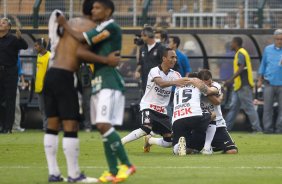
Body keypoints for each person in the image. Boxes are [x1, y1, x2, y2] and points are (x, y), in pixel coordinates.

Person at [57, 0, 136, 183]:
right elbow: (81, 49)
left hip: (110, 81)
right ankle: (112, 171)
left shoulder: (111, 26)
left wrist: (65, 24)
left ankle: (127, 165)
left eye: (97, 7)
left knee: (103, 124)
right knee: (103, 128)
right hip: (98, 81)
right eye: (92, 7)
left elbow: (82, 39)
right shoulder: (101, 28)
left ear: (108, 11)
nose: (93, 10)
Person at [43, 0, 119, 182]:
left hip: (51, 73)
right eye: (96, 7)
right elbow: (80, 53)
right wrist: (105, 60)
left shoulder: (71, 23)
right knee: (71, 125)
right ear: (93, 11)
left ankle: (53, 173)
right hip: (65, 76)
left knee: (52, 125)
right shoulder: (91, 26)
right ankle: (74, 175)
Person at [121, 48, 189, 151]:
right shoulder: (154, 70)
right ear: (164, 58)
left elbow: (183, 87)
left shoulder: (176, 74)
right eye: (172, 57)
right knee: (146, 129)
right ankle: (120, 143)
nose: (174, 60)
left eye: (175, 57)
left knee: (169, 142)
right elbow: (161, 83)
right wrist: (175, 82)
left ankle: (150, 141)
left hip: (162, 110)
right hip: (148, 106)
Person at [188, 70, 238, 154]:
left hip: (218, 125)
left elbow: (215, 100)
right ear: (200, 81)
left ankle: (211, 146)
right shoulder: (193, 89)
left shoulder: (215, 85)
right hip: (201, 126)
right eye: (206, 83)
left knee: (232, 151)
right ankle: (203, 147)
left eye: (210, 82)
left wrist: (202, 89)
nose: (209, 85)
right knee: (188, 151)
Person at [172, 74, 218, 156]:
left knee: (177, 145)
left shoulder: (177, 86)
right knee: (213, 115)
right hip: (194, 116)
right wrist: (217, 91)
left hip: (177, 119)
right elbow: (209, 92)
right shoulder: (197, 82)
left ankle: (179, 146)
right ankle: (207, 148)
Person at [224, 37, 262, 132]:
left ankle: (257, 129)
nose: (231, 45)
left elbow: (241, 67)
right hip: (239, 86)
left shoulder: (241, 53)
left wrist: (230, 79)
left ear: (236, 43)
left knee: (249, 107)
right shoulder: (240, 52)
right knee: (233, 108)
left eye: (232, 42)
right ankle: (225, 129)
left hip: (243, 85)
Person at [0, 17, 28, 134]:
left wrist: (20, 38)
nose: (1, 23)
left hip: (10, 72)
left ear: (8, 27)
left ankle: (8, 127)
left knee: (10, 100)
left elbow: (25, 46)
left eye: (3, 22)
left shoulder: (13, 39)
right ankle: (1, 125)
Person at [257, 29, 282, 134]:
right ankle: (267, 129)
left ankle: (279, 129)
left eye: (281, 39)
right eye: (278, 39)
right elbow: (263, 64)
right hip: (269, 83)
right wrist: (259, 79)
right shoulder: (268, 49)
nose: (280, 41)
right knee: (267, 108)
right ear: (274, 39)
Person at [135, 26, 166, 93]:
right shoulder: (142, 48)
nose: (141, 38)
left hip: (157, 81)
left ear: (147, 36)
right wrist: (137, 71)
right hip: (145, 80)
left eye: (142, 36)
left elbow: (164, 63)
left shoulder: (160, 48)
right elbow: (140, 62)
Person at [34, 38, 50, 131]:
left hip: (47, 87)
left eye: (36, 45)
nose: (35, 47)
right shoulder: (38, 56)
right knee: (42, 108)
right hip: (39, 85)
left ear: (42, 46)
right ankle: (46, 126)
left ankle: (47, 127)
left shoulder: (50, 56)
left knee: (47, 108)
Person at [13, 56, 26, 132]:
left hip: (14, 83)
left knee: (16, 105)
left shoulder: (17, 56)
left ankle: (16, 126)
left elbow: (20, 70)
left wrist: (23, 81)